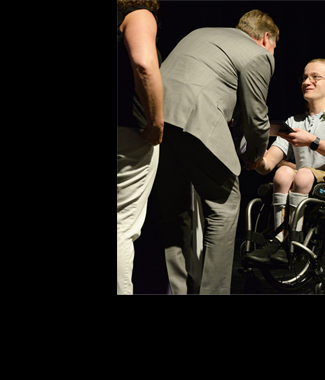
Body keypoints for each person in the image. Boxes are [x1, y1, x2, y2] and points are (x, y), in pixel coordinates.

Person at [154, 9, 279, 294]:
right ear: (266, 37)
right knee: (225, 206)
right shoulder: (258, 54)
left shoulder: (201, 33)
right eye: (274, 48)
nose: (274, 54)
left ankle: (179, 289)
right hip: (195, 120)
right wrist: (253, 156)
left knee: (173, 215)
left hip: (157, 121)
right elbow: (257, 120)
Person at [246, 58, 325, 264]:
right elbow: (268, 165)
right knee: (283, 173)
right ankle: (279, 239)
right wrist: (256, 159)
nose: (306, 81)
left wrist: (313, 141)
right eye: (304, 77)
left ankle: (294, 241)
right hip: (304, 184)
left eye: (314, 77)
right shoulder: (294, 122)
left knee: (302, 174)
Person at [117, 0, 164, 295]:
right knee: (122, 225)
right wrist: (156, 122)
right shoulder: (138, 15)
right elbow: (144, 65)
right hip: (129, 133)